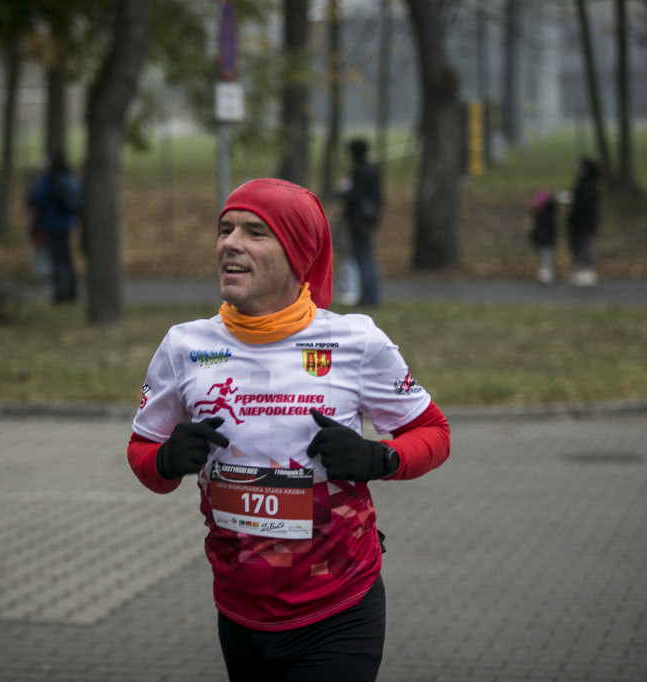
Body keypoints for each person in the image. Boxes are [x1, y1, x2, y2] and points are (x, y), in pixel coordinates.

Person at [127, 178, 451, 681]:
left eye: (255, 232)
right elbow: (143, 454)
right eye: (225, 229)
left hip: (338, 609)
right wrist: (166, 460)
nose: (230, 242)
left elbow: (433, 432)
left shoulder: (355, 341)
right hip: (238, 610)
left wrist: (379, 459)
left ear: (298, 253)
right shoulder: (184, 346)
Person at [28, 150, 81, 303]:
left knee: (57, 259)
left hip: (53, 222)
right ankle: (72, 289)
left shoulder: (49, 179)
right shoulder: (69, 176)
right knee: (67, 257)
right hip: (67, 221)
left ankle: (60, 292)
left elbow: (39, 198)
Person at [340, 138, 384, 306]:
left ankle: (369, 296)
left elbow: (355, 196)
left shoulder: (359, 171)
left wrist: (343, 193)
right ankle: (370, 294)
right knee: (366, 256)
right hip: (369, 221)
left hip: (359, 222)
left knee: (364, 257)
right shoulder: (374, 170)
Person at [567, 158, 600, 286]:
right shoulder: (584, 183)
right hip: (579, 221)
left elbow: (586, 204)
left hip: (584, 221)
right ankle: (580, 271)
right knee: (579, 245)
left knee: (585, 245)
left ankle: (588, 271)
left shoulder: (589, 185)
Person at [528, 187, 557, 284]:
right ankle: (545, 271)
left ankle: (547, 272)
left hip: (545, 239)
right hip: (543, 239)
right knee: (544, 255)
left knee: (546, 256)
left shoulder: (545, 215)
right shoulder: (544, 214)